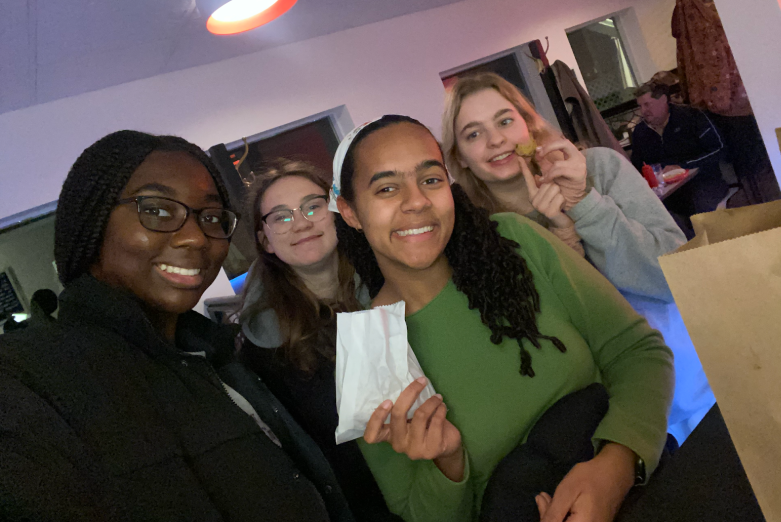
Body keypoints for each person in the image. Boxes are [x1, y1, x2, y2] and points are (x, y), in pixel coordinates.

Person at [332, 115, 675, 522]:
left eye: (431, 179)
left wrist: (615, 467)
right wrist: (448, 464)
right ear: (350, 212)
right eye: (386, 188)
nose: (417, 201)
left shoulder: (516, 242)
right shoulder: (368, 352)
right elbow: (414, 511)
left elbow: (638, 352)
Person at [0, 131, 353, 521]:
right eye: (157, 210)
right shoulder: (33, 379)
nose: (195, 237)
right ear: (91, 221)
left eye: (211, 216)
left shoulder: (213, 357)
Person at [442, 72, 714, 442]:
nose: (496, 140)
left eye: (505, 121)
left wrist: (585, 205)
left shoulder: (599, 169)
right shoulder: (476, 238)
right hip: (609, 426)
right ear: (460, 158)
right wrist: (564, 248)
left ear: (529, 124)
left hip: (696, 386)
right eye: (473, 134)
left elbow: (674, 276)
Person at [238, 160, 402, 521]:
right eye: (280, 217)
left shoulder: (392, 275)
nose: (301, 223)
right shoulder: (261, 346)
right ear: (265, 239)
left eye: (313, 206)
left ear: (337, 213)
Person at [631, 81, 729, 220]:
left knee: (698, 207)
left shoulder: (690, 116)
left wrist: (683, 166)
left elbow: (719, 148)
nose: (643, 111)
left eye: (647, 104)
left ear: (663, 100)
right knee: (656, 216)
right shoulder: (640, 132)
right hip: (667, 193)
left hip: (704, 182)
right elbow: (637, 166)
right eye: (640, 106)